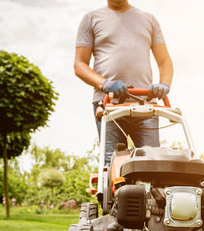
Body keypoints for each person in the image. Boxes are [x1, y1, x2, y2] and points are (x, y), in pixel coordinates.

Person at [74, 0, 174, 164]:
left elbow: (165, 62)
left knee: (153, 162)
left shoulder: (148, 19)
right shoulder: (91, 19)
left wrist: (164, 84)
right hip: (108, 104)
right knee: (113, 163)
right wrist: (104, 84)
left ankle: (152, 190)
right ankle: (112, 189)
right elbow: (79, 64)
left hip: (145, 105)